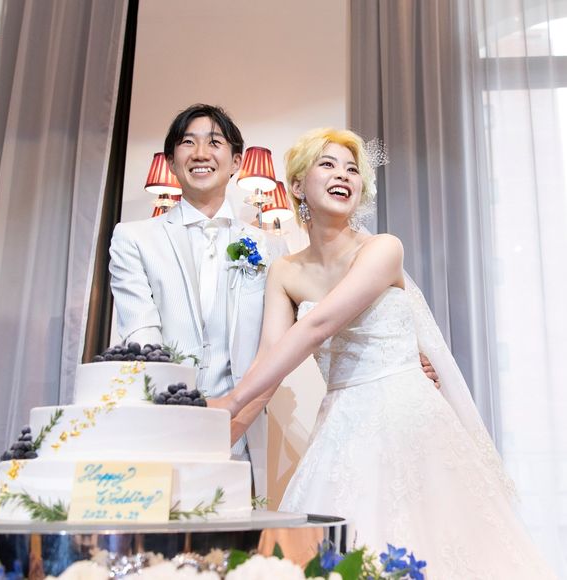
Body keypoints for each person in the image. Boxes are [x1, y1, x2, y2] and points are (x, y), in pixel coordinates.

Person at [209, 128, 557, 578]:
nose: (343, 175)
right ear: (297, 185)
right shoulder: (284, 272)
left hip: (409, 420)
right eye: (328, 164)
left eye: (352, 169)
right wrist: (216, 436)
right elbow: (267, 366)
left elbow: (317, 327)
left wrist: (230, 401)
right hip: (339, 428)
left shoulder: (383, 248)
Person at [108, 104, 288, 496]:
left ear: (236, 161)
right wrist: (181, 416)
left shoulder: (271, 248)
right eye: (188, 142)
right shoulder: (134, 238)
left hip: (241, 433)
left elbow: (279, 348)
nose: (201, 153)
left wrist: (236, 422)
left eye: (214, 142)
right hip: (160, 424)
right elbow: (141, 334)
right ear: (172, 161)